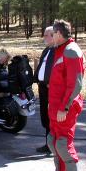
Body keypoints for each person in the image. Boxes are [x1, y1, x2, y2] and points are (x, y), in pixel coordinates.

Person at [41, 20, 85, 171]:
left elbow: (76, 84)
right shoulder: (60, 50)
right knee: (53, 140)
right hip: (55, 106)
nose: (51, 37)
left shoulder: (71, 51)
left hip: (65, 107)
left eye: (53, 34)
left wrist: (64, 107)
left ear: (58, 34)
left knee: (63, 143)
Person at [34, 26, 56, 154]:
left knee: (51, 116)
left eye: (46, 35)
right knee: (44, 115)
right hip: (43, 87)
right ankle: (48, 144)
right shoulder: (47, 49)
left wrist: (50, 83)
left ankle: (52, 145)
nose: (44, 37)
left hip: (51, 88)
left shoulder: (57, 50)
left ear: (53, 36)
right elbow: (43, 66)